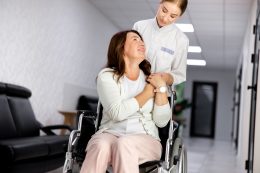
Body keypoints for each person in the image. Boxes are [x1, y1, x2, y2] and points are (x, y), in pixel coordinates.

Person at [80, 30, 172, 173]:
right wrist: (147, 93)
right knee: (100, 146)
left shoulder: (151, 78)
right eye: (135, 39)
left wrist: (161, 88)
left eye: (142, 40)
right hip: (110, 132)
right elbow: (117, 113)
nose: (142, 42)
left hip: (146, 139)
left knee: (124, 144)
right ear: (121, 47)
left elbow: (161, 122)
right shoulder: (107, 76)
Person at [133, 0, 189, 86]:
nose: (165, 18)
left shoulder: (181, 40)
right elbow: (127, 57)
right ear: (160, 3)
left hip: (160, 93)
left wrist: (166, 78)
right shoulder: (139, 26)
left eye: (172, 16)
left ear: (179, 16)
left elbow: (179, 74)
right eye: (164, 10)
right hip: (133, 87)